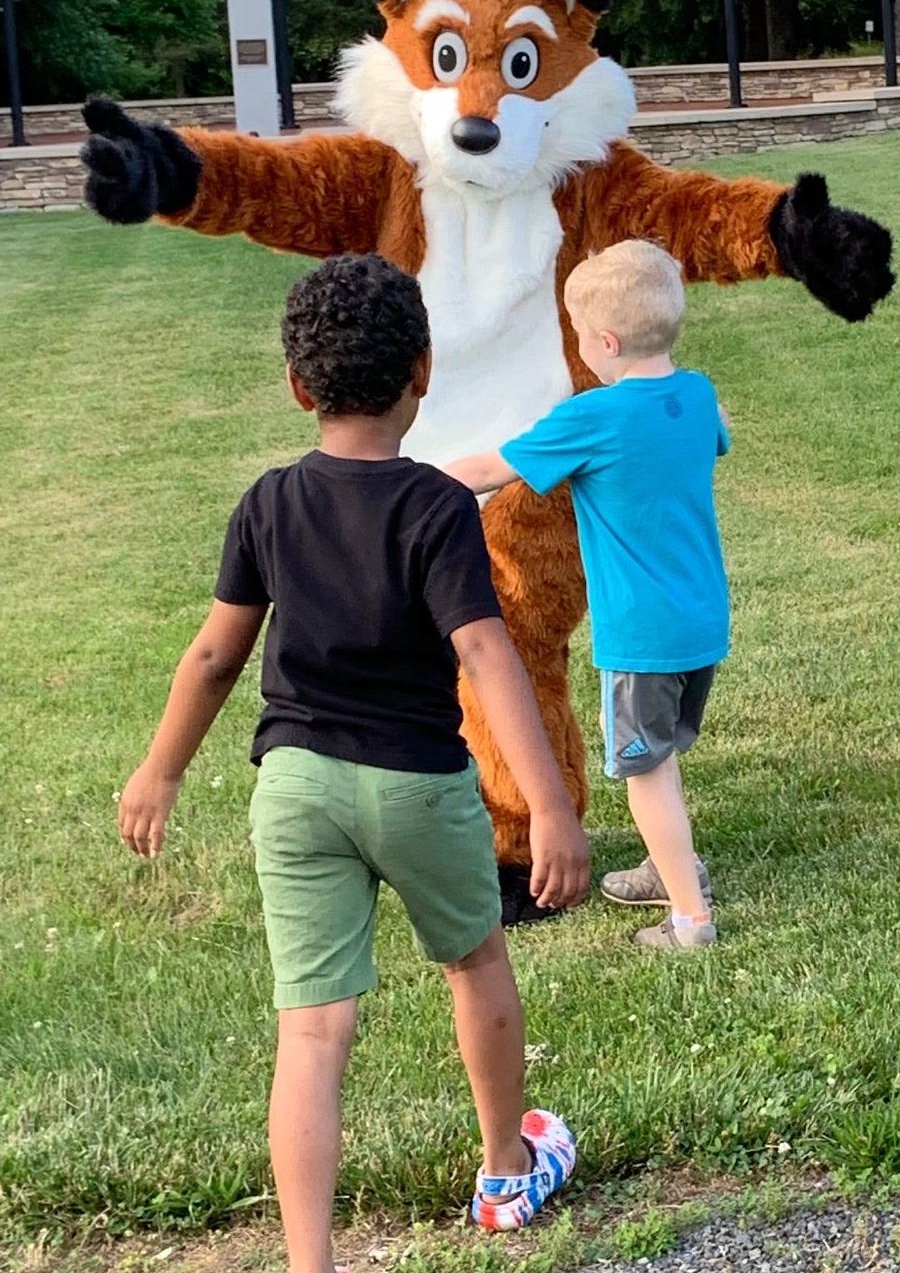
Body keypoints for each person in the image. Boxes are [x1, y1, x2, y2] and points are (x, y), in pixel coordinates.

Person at [116, 254, 589, 1273]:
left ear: (298, 385)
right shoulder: (434, 506)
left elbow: (214, 653)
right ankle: (506, 1169)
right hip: (418, 781)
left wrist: (158, 771)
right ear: (422, 370)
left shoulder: (269, 501)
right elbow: (482, 649)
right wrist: (546, 804)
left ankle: (308, 1263)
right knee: (475, 962)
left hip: (294, 787)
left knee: (314, 1032)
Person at [446, 239, 730, 953]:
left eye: (579, 337)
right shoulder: (697, 394)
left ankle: (690, 917)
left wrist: (407, 483)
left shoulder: (592, 417)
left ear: (605, 341)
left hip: (643, 635)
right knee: (665, 752)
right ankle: (670, 860)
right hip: (704, 620)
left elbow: (491, 467)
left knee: (646, 770)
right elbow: (719, 435)